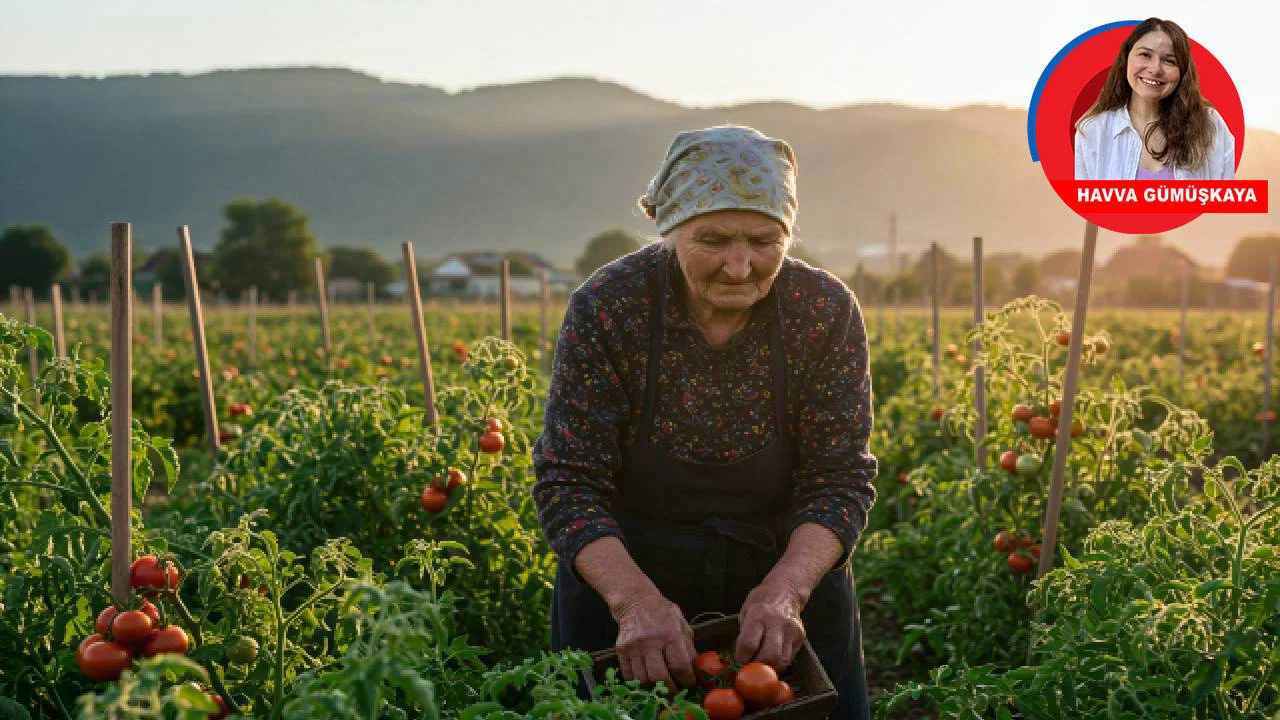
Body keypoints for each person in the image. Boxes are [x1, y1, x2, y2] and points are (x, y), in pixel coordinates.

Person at [532, 125, 876, 720]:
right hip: (629, 580)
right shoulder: (612, 306)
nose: (740, 267)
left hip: (782, 578)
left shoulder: (822, 311)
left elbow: (839, 480)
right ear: (670, 228)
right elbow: (569, 482)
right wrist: (633, 602)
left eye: (765, 240)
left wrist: (787, 592)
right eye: (713, 239)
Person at [1074, 17, 1234, 181]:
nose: (1155, 69)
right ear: (1126, 58)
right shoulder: (1093, 131)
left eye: (1169, 61)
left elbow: (1224, 202)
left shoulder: (1210, 126)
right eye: (1145, 55)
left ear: (1182, 71)